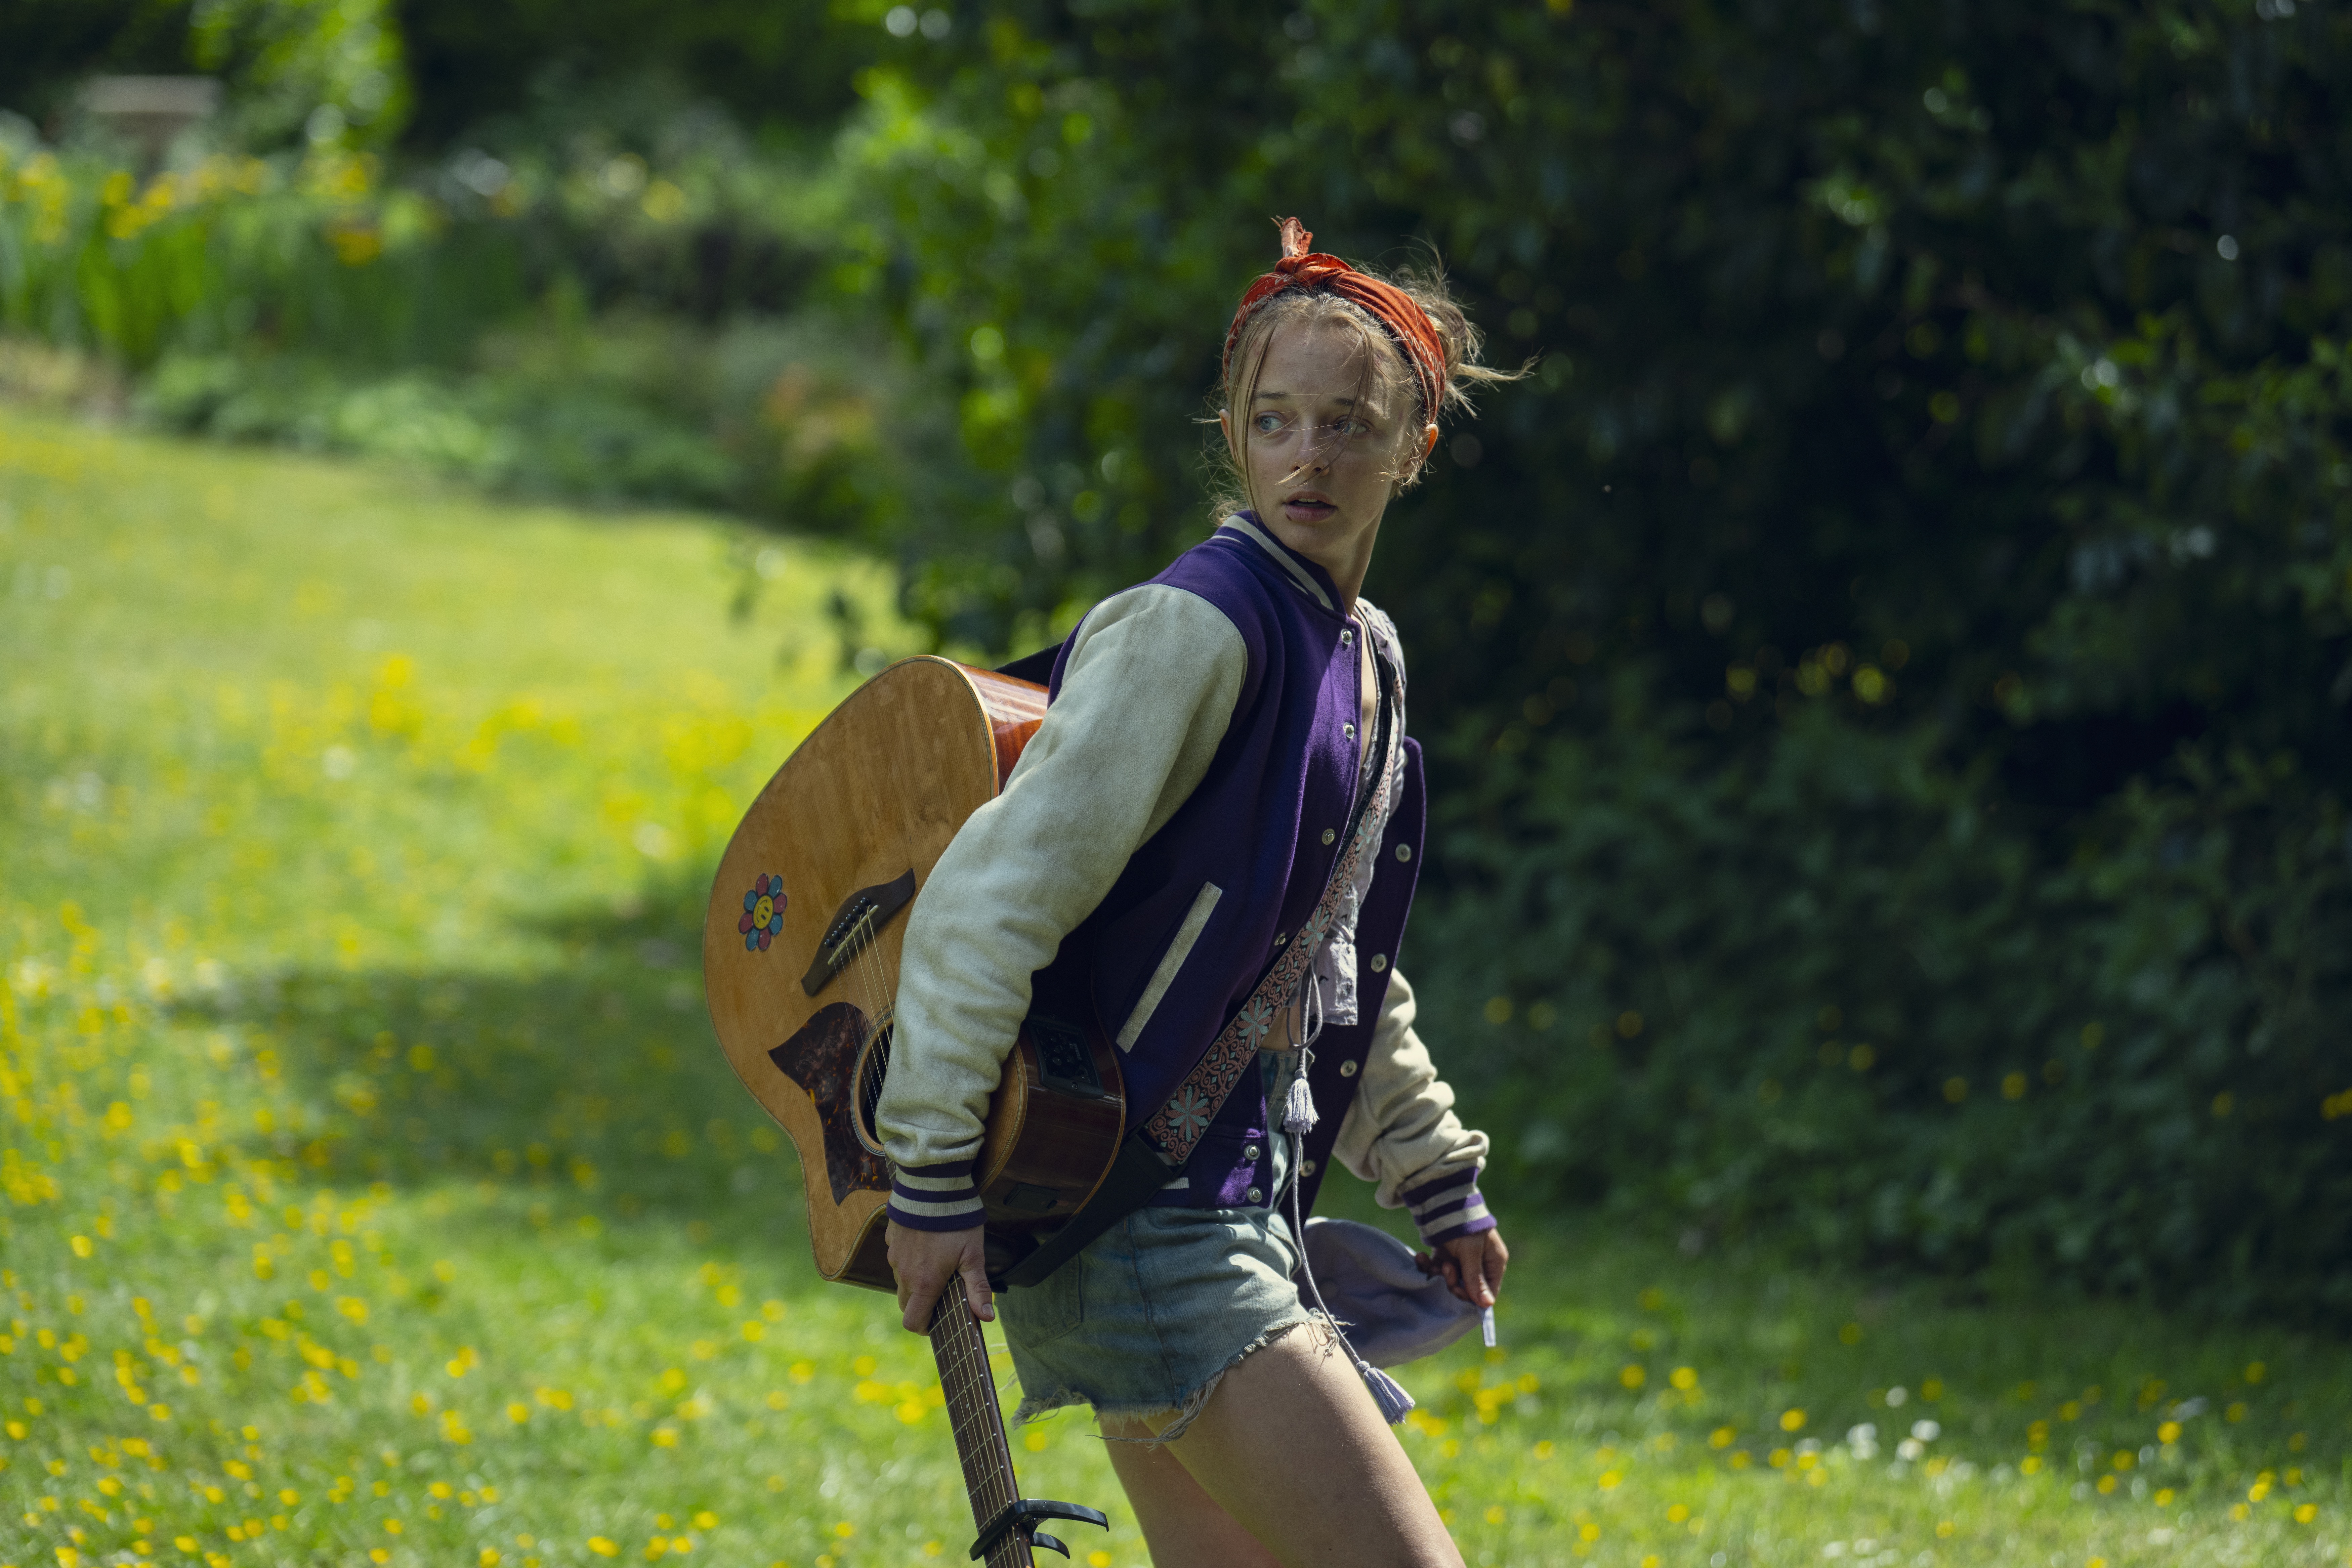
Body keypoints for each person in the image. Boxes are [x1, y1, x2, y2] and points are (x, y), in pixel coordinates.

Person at [877, 218, 1515, 1567]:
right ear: (1235, 434)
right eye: (1274, 419)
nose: (1309, 455)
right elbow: (992, 899)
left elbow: (1326, 949)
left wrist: (1434, 1170)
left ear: (1413, 448)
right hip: (1143, 1216)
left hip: (1239, 1202)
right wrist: (929, 1173)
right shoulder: (1193, 629)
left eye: (1351, 424)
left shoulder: (1366, 658)